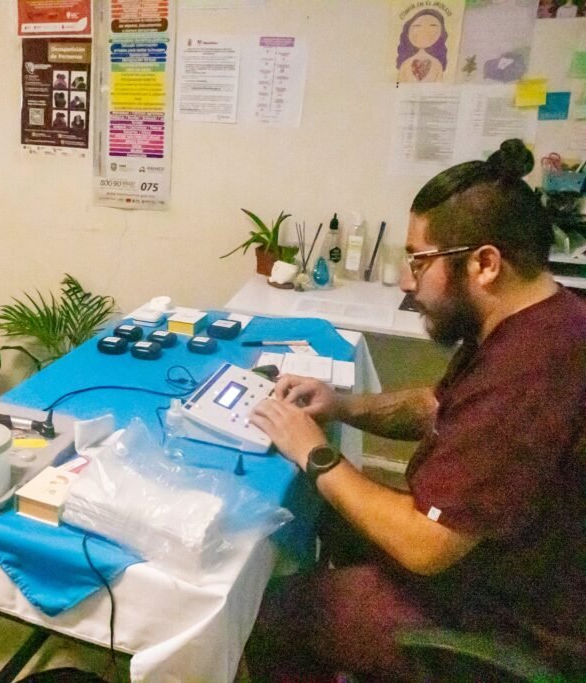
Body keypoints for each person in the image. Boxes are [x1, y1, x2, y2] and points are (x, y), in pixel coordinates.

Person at [246, 139, 586, 680]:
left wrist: (315, 454)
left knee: (269, 614)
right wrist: (343, 405)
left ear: (485, 264)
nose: (407, 281)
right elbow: (438, 407)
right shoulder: (539, 319)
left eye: (419, 261)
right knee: (327, 516)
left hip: (510, 619)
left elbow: (425, 546)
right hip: (494, 560)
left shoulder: (529, 374)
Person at [396, 8, 448, 83]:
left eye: (433, 26)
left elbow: (438, 86)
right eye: (417, 26)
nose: (424, 32)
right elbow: (398, 85)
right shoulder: (405, 65)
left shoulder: (437, 65)